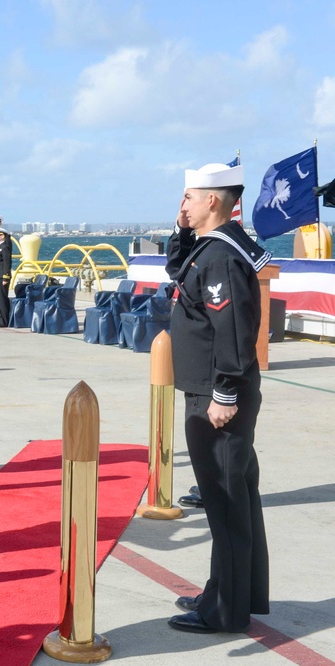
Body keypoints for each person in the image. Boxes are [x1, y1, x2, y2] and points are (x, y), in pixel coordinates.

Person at [165, 162, 271, 634]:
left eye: (188, 197)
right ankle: (229, 593)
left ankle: (225, 611)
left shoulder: (221, 258)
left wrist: (224, 392)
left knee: (225, 504)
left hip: (217, 397)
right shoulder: (213, 248)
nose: (182, 204)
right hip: (212, 390)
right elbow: (179, 270)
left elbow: (233, 329)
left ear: (212, 200)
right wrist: (181, 228)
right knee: (235, 499)